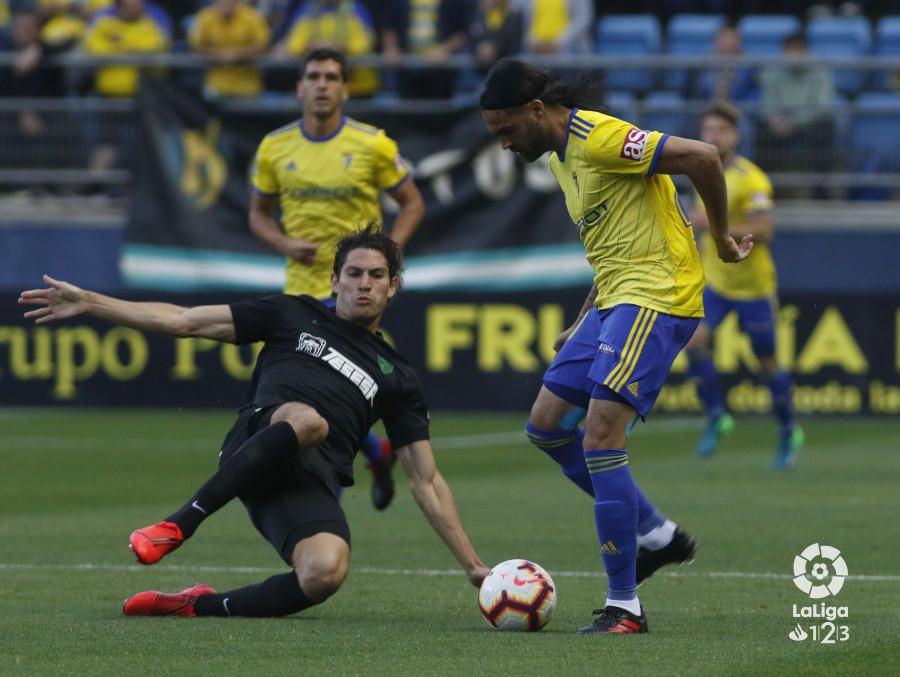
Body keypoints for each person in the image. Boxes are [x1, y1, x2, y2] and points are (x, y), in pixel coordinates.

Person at [18, 229, 488, 619]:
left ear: (393, 287)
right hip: (258, 439)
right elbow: (184, 320)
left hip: (310, 478)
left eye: (376, 276)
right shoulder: (291, 313)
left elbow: (425, 480)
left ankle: (197, 605)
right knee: (308, 419)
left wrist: (473, 568)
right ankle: (178, 525)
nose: (364, 284)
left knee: (325, 572)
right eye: (354, 273)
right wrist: (92, 303)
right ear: (334, 279)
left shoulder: (398, 375)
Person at [479, 59, 752, 634]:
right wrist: (581, 322)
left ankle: (624, 605)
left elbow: (703, 156)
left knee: (602, 431)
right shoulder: (559, 160)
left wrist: (722, 239)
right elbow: (611, 244)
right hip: (614, 300)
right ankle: (656, 535)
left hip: (659, 293)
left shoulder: (599, 138)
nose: (503, 145)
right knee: (547, 425)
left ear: (535, 111)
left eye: (506, 131)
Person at [249, 48, 425, 511]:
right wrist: (285, 244)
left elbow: (412, 203)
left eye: (331, 76)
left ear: (345, 89)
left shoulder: (373, 144)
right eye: (313, 76)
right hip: (301, 291)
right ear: (299, 87)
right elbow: (258, 216)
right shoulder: (275, 147)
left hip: (351, 294)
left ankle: (322, 501)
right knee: (307, 396)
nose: (322, 84)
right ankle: (373, 452)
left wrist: (388, 257)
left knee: (329, 397)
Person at [687, 101, 803, 468]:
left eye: (720, 130)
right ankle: (716, 416)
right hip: (715, 282)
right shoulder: (698, 169)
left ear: (734, 135)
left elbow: (765, 230)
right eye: (707, 130)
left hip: (753, 286)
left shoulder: (751, 179)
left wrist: (716, 227)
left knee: (766, 361)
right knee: (694, 340)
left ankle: (788, 430)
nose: (712, 136)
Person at [756, 31, 835, 173]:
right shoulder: (773, 70)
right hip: (779, 122)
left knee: (825, 129)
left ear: (806, 51)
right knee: (761, 130)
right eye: (790, 50)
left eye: (798, 50)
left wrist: (792, 123)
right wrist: (774, 119)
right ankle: (764, 185)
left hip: (809, 121)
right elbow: (767, 103)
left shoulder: (820, 70)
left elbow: (821, 106)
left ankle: (821, 189)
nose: (794, 55)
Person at [188, 0, 271, 100]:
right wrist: (218, 54)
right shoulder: (204, 17)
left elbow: (264, 45)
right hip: (216, 84)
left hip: (247, 84)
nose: (225, 3)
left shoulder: (252, 17)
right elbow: (194, 46)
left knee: (247, 112)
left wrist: (237, 54)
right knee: (209, 109)